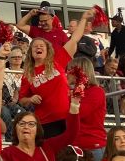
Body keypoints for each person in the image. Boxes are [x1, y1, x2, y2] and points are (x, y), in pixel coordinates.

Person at [16, 9, 94, 138]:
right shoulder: (28, 75)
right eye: (35, 46)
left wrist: (84, 18)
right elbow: (22, 100)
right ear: (30, 52)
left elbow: (74, 39)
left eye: (42, 46)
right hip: (45, 123)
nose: (38, 48)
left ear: (48, 50)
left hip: (66, 117)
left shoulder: (57, 61)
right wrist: (30, 99)